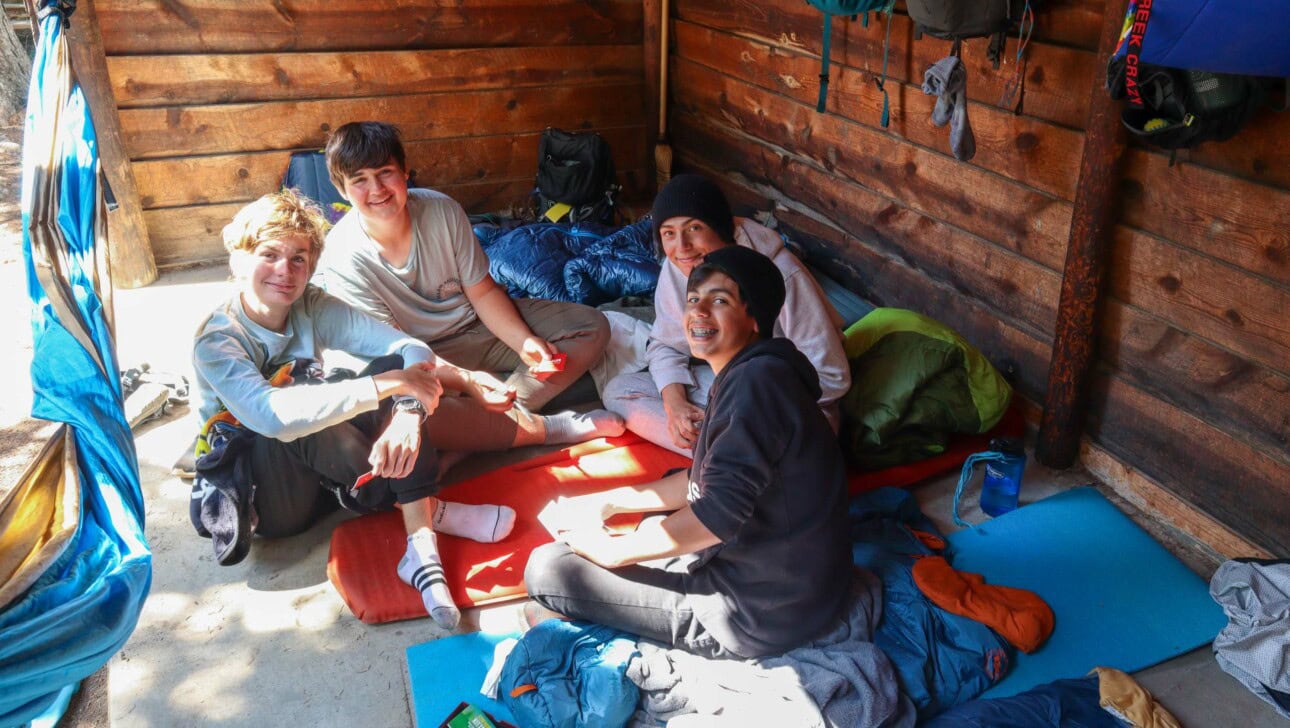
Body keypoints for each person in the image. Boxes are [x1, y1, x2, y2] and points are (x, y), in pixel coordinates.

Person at [192, 190, 518, 630]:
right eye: (269, 255)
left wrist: (405, 409)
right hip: (268, 496)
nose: (285, 272)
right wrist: (389, 385)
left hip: (326, 474)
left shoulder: (311, 306)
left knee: (383, 373)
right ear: (238, 261)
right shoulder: (218, 340)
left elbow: (408, 348)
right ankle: (431, 512)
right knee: (312, 407)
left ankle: (420, 549)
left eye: (299, 260)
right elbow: (274, 416)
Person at [524, 246, 853, 660]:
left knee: (549, 570)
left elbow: (716, 512)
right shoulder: (753, 371)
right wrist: (606, 503)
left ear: (755, 319)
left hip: (757, 613)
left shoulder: (755, 386)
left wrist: (609, 550)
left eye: (720, 301)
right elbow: (705, 477)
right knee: (656, 501)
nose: (699, 312)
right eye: (694, 300)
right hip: (804, 586)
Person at [316, 121, 623, 453]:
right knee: (391, 410)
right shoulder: (341, 255)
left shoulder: (441, 210)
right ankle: (539, 427)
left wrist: (523, 342)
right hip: (415, 356)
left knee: (590, 326)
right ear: (342, 189)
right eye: (359, 180)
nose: (376, 189)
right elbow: (398, 350)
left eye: (385, 172)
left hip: (474, 329)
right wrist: (467, 381)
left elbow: (483, 292)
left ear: (405, 172)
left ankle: (484, 426)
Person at [602, 173, 849, 456]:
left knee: (797, 450)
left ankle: (730, 456)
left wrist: (746, 405)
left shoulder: (779, 273)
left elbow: (832, 376)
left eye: (694, 228)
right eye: (669, 233)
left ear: (721, 228)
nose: (681, 247)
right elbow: (665, 343)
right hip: (727, 384)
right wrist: (675, 405)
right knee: (621, 390)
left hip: (786, 402)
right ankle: (727, 455)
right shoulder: (681, 267)